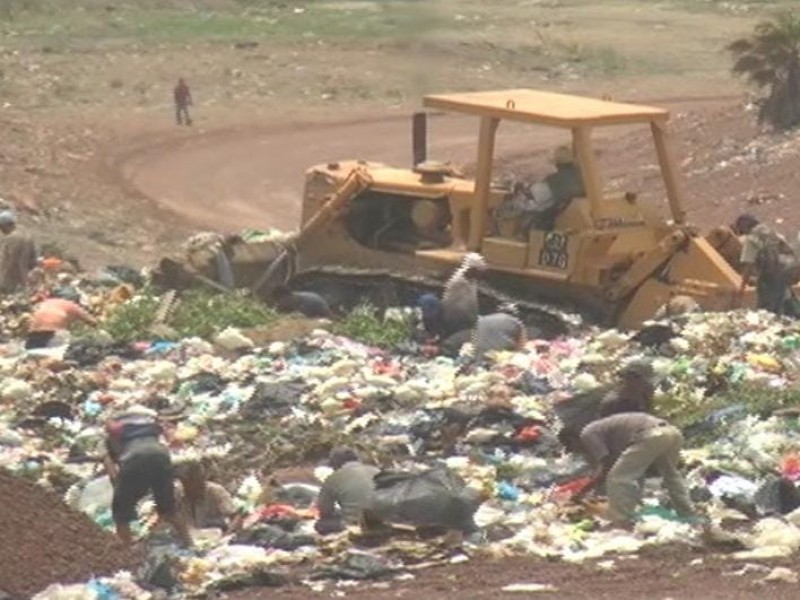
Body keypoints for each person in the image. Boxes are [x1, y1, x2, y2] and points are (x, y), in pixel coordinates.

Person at [570, 412, 695, 527]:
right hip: (672, 432)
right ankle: (689, 515)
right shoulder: (607, 431)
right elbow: (634, 473)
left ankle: (621, 520)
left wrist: (582, 492)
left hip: (651, 434)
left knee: (616, 477)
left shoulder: (587, 433)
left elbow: (607, 467)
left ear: (574, 441)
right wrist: (635, 499)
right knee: (671, 476)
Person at [103, 406, 192, 547]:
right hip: (161, 455)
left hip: (134, 458)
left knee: (120, 512)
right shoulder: (152, 427)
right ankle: (189, 542)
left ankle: (127, 546)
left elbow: (114, 464)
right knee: (168, 507)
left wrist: (121, 491)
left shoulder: (115, 433)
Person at [734, 214, 800, 315]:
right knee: (784, 298)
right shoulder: (771, 233)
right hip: (785, 271)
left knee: (767, 307)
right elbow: (788, 249)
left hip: (768, 277)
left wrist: (742, 286)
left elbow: (749, 265)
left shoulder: (751, 239)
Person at [315, 447, 379, 535]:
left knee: (321, 525)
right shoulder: (376, 471)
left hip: (355, 525)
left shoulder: (334, 478)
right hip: (383, 521)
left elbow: (324, 510)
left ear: (335, 464)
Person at [174, 460, 242, 532]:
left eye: (193, 482)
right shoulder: (179, 493)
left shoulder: (216, 491)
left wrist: (227, 534)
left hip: (216, 534)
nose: (189, 487)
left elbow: (236, 518)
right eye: (185, 483)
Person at [25, 287, 97, 349]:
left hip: (33, 335)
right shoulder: (70, 304)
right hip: (55, 334)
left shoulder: (45, 303)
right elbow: (93, 321)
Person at [441, 253, 487, 337]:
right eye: (479, 271)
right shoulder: (458, 282)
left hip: (468, 319)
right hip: (457, 320)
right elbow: (456, 306)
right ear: (472, 269)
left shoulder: (472, 280)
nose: (480, 274)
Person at [0, 210, 37, 294]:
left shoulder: (10, 238)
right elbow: (33, 261)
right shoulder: (28, 237)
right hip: (22, 280)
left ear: (6, 225)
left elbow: (6, 260)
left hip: (7, 281)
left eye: (1, 227)